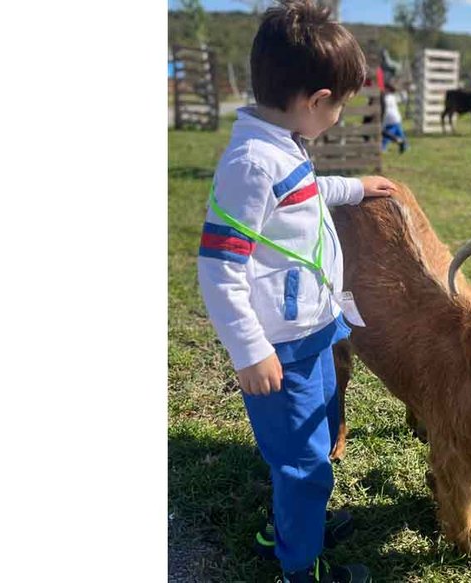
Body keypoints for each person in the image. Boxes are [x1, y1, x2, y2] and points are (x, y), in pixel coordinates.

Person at [195, 2, 398, 581]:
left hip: (314, 329)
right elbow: (218, 268)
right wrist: (249, 350)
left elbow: (302, 194)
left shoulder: (280, 144)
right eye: (340, 106)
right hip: (281, 347)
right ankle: (298, 566)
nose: (339, 116)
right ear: (316, 101)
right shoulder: (250, 164)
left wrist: (354, 187)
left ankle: (289, 525)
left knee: (319, 433)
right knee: (304, 463)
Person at [380, 81, 407, 154]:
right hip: (395, 119)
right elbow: (403, 99)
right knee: (400, 133)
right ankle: (405, 145)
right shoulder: (393, 97)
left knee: (387, 133)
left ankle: (383, 147)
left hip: (391, 120)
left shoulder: (387, 98)